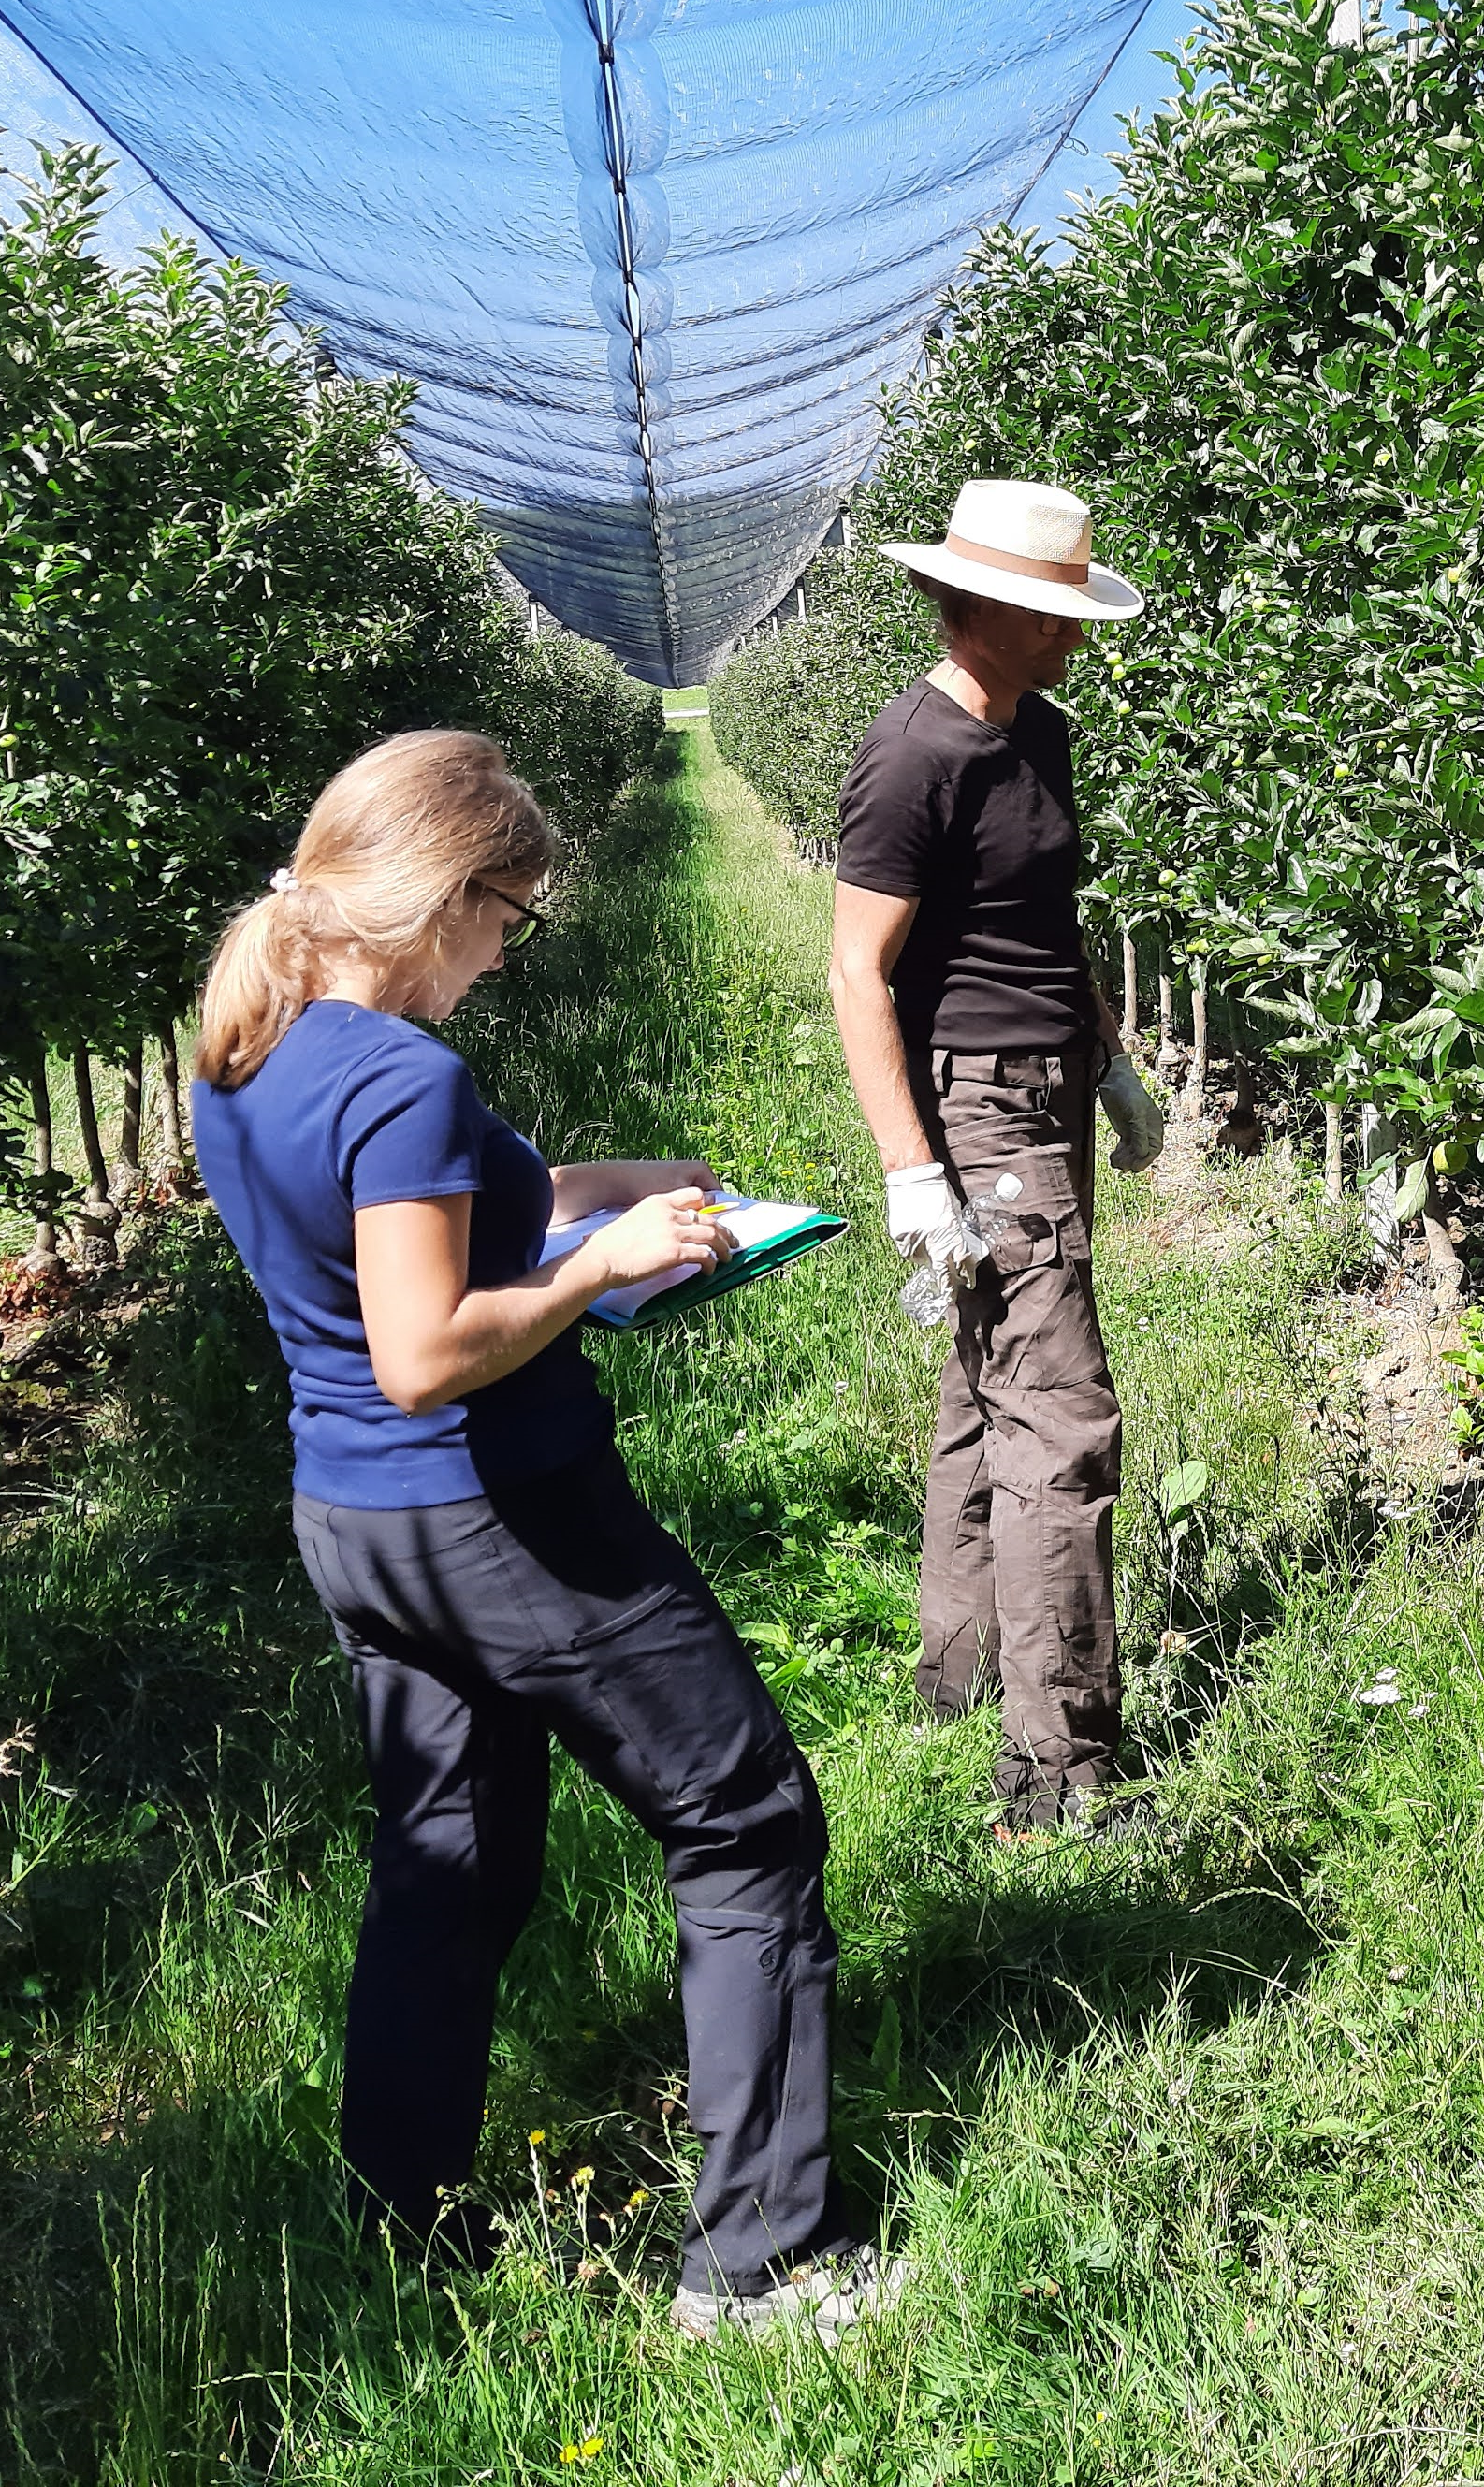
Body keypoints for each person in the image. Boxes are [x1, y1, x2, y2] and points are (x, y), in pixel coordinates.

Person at [190, 728, 882, 2337]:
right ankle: (760, 2267)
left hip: (357, 1524)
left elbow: (398, 1225)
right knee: (745, 1822)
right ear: (442, 895)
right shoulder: (407, 1074)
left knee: (453, 1865)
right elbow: (424, 1348)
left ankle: (399, 2215)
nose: (510, 945)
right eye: (511, 912)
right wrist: (588, 1269)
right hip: (505, 1519)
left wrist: (610, 1194)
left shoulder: (254, 1042)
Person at [825, 479, 1166, 1839]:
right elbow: (859, 974)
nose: (1073, 636)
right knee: (1062, 1417)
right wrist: (914, 1170)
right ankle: (1059, 1774)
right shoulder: (910, 757)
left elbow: (1044, 919)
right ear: (984, 613)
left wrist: (1112, 1052)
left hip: (1049, 1088)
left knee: (991, 1391)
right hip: (981, 1107)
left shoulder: (1042, 735)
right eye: (1053, 617)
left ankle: (957, 1681)